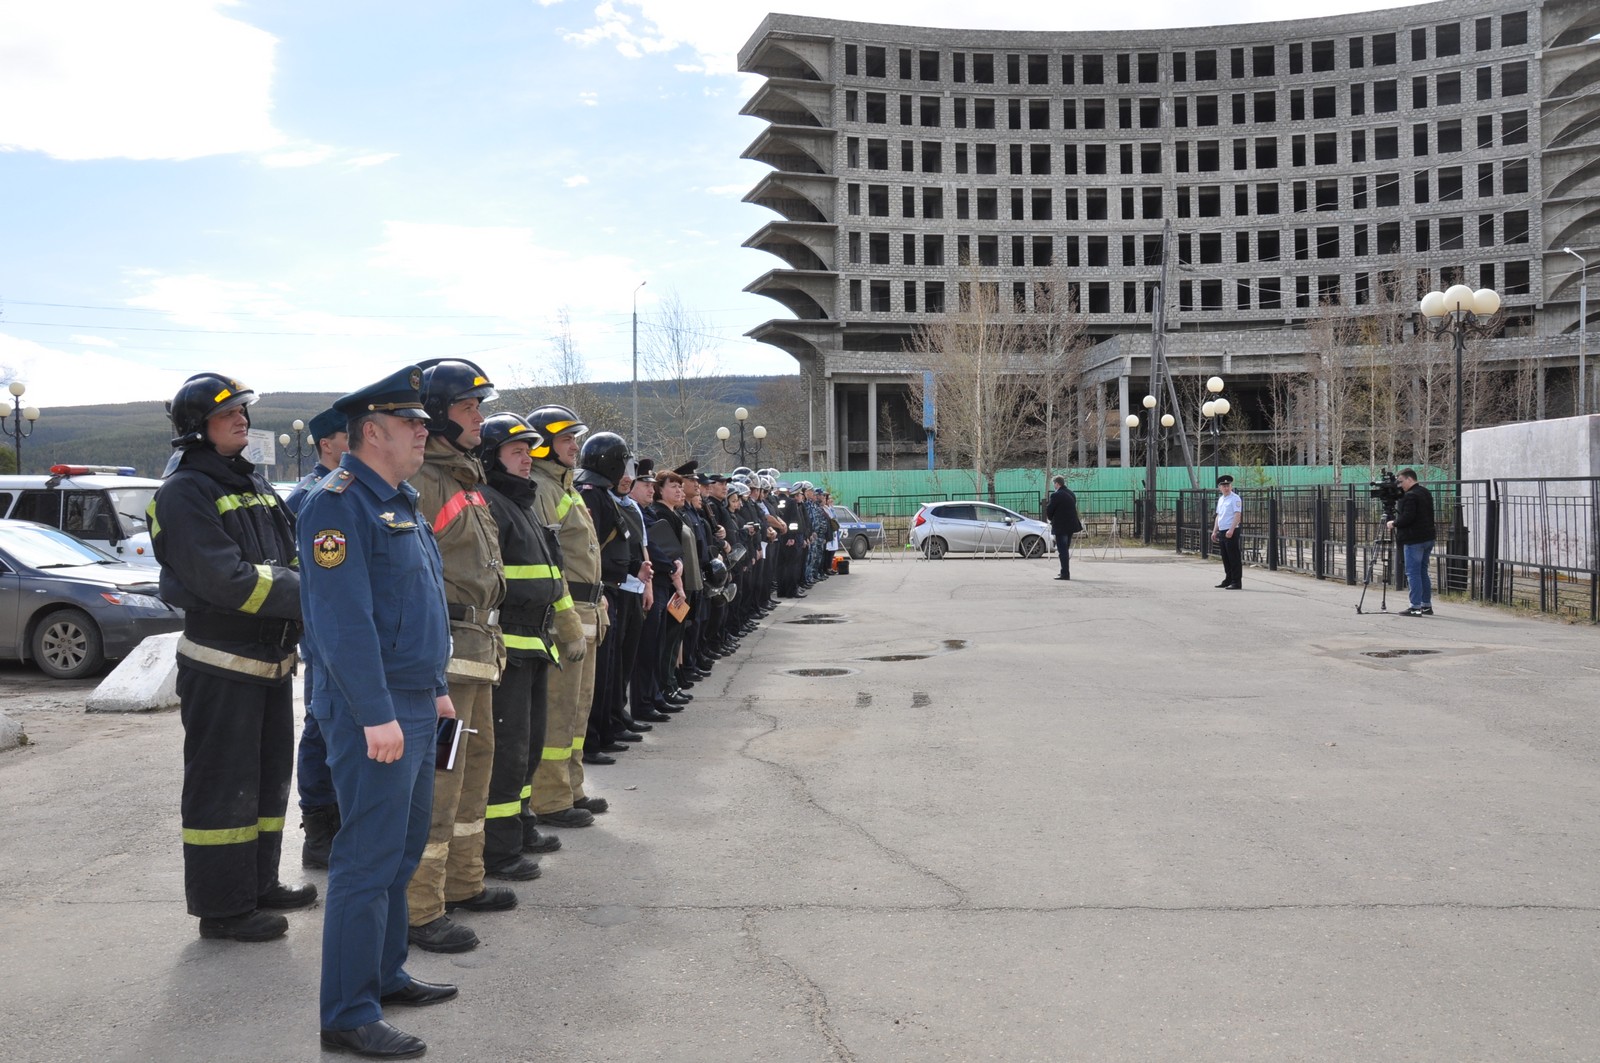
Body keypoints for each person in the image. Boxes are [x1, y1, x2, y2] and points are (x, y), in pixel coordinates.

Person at [299, 367, 459, 1060]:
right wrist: (374, 713)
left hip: (414, 699)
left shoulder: (401, 500)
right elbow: (343, 624)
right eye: (411, 422)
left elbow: (418, 607)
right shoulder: (337, 505)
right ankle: (347, 1010)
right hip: (377, 710)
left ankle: (385, 972)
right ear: (372, 430)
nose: (425, 431)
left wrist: (438, 685)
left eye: (424, 421)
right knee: (365, 859)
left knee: (401, 847)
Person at [151, 372, 313, 943]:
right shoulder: (184, 490)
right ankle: (222, 908)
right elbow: (226, 579)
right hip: (222, 662)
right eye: (229, 414)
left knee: (267, 785)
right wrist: (307, 591)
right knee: (224, 789)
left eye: (244, 411)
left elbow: (287, 556)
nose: (242, 419)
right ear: (198, 428)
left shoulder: (250, 483)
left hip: (267, 661)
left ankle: (257, 883)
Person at [406, 358, 512, 956]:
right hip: (447, 654)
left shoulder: (465, 478)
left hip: (479, 648)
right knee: (441, 781)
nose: (480, 419)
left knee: (474, 769)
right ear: (441, 415)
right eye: (470, 408)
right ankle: (421, 908)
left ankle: (463, 882)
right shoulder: (424, 482)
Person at [476, 414, 565, 880]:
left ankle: (522, 823)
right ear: (493, 458)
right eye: (516, 451)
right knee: (507, 750)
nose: (526, 458)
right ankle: (499, 849)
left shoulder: (520, 501)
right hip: (508, 644)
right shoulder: (491, 502)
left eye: (529, 450)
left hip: (535, 639)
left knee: (528, 745)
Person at [525, 403, 607, 828]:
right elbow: (550, 561)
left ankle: (571, 787)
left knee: (578, 708)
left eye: (574, 438)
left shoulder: (565, 485)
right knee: (558, 710)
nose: (574, 446)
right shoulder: (542, 489)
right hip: (567, 611)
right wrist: (567, 616)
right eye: (565, 439)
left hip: (588, 607)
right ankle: (551, 798)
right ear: (543, 448)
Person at [286, 406, 350, 870]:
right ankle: (319, 826)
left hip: (348, 630)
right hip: (322, 631)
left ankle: (341, 817)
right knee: (320, 724)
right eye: (349, 436)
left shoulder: (354, 492)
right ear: (327, 444)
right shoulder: (310, 496)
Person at [1388, 468, 1436, 616]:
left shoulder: (1410, 496)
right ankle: (1426, 605)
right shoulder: (1425, 492)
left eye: (1401, 481)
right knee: (1422, 571)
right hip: (1428, 537)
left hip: (1414, 539)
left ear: (1410, 479)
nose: (1399, 485)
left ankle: (1415, 607)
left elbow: (1407, 518)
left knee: (1413, 573)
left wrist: (1393, 523)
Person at [1045, 475, 1083, 580]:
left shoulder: (1056, 495)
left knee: (1062, 550)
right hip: (1071, 525)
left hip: (1061, 526)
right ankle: (1064, 572)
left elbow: (1050, 510)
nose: (1054, 486)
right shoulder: (1071, 493)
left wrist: (1050, 518)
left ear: (1057, 484)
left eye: (1054, 484)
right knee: (1065, 549)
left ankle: (1065, 573)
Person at [1212, 474, 1243, 590]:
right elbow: (1218, 516)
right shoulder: (1221, 499)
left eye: (1228, 485)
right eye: (1223, 486)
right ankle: (1228, 579)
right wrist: (1215, 531)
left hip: (1232, 530)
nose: (1226, 488)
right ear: (1220, 487)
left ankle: (1236, 581)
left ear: (1231, 486)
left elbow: (1237, 515)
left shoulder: (1235, 498)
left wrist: (1231, 529)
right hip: (1222, 530)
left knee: (1233, 557)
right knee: (1225, 557)